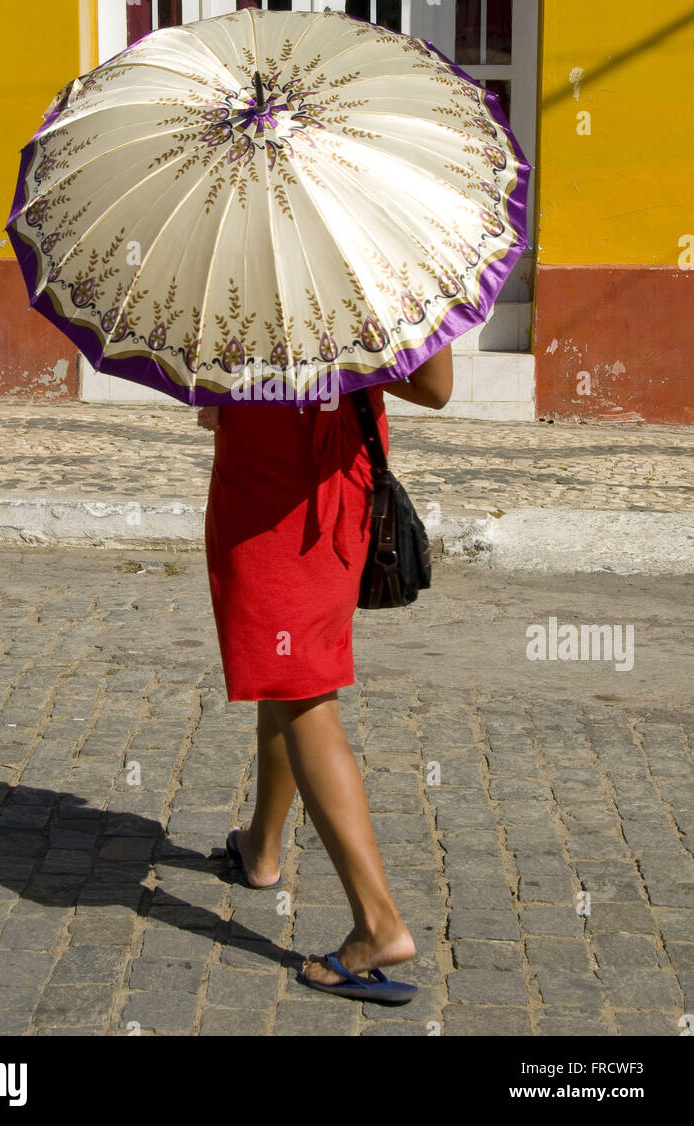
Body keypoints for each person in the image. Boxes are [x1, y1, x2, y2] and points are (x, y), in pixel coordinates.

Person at [197, 345, 454, 1000]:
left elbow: (431, 386)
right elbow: (435, 385)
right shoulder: (373, 259)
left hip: (285, 497)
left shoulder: (244, 256)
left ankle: (377, 924)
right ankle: (262, 848)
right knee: (284, 675)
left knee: (304, 692)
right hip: (316, 486)